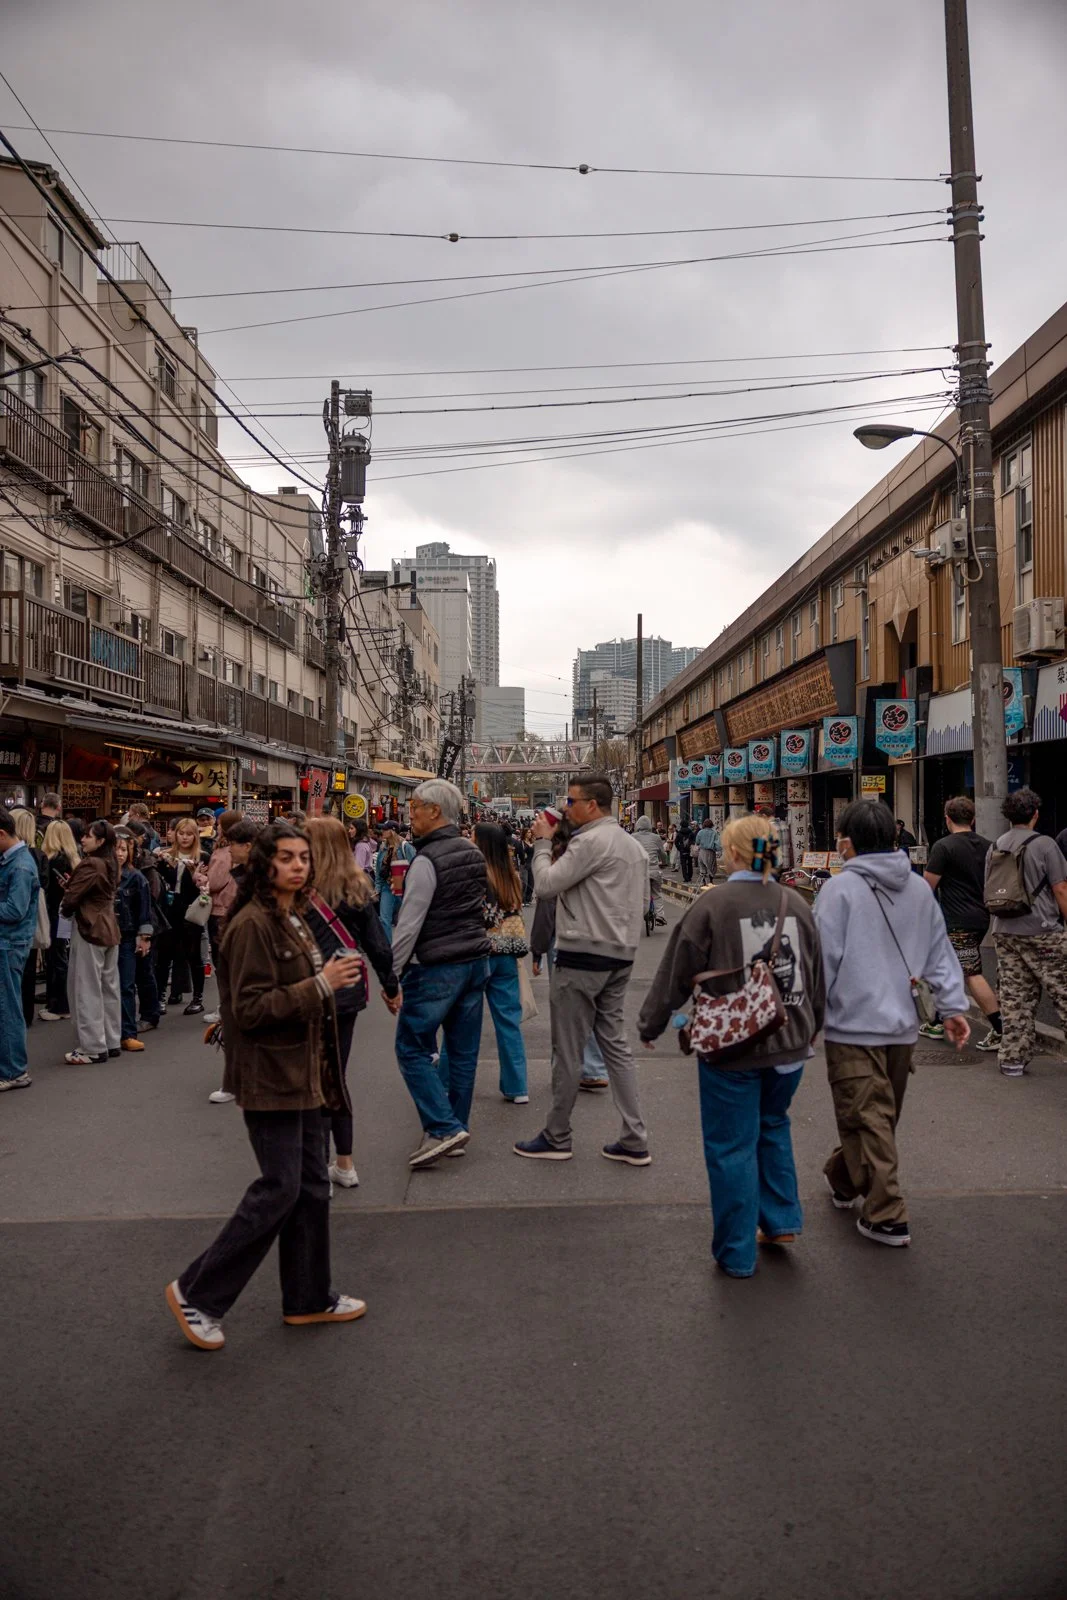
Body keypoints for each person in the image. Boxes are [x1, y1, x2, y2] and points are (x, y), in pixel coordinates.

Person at [165, 822, 367, 1351]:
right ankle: (197, 1293)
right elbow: (250, 1010)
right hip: (271, 1073)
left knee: (312, 1184)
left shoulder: (293, 913)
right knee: (280, 1187)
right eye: (287, 857)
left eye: (304, 857)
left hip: (305, 1069)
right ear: (263, 864)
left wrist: (327, 983)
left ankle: (308, 1296)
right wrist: (321, 984)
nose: (299, 866)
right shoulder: (253, 924)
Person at [638, 815, 824, 1278]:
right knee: (773, 1124)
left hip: (733, 1044)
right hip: (790, 1039)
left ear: (735, 853)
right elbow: (816, 972)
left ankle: (736, 1252)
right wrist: (812, 1028)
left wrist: (651, 1023)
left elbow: (677, 970)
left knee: (731, 1146)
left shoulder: (714, 904)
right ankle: (780, 1221)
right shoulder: (797, 903)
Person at [814, 800, 970, 1248]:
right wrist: (952, 1006)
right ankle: (856, 1186)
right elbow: (939, 951)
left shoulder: (839, 891)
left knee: (868, 1117)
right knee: (877, 1116)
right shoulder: (919, 889)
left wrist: (807, 1019)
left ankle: (882, 1213)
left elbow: (820, 960)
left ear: (847, 842)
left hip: (851, 1025)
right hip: (902, 1027)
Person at [515, 772, 651, 1165]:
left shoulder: (589, 842)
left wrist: (542, 843)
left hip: (582, 952)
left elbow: (545, 885)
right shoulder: (631, 845)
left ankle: (557, 1135)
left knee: (568, 1048)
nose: (566, 808)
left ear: (592, 805)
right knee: (615, 1046)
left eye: (571, 801)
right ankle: (634, 1137)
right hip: (621, 952)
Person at [391, 779, 491, 1169]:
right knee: (462, 1053)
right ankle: (456, 1127)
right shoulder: (472, 852)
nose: (410, 815)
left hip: (435, 967)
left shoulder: (426, 860)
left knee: (411, 1047)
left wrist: (391, 974)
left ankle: (443, 1127)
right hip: (475, 961)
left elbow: (409, 924)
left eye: (415, 807)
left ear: (435, 811)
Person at [303, 815, 399, 1186]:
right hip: (347, 990)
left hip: (307, 988)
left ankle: (316, 1168)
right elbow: (378, 945)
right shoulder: (356, 887)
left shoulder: (296, 889)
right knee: (335, 1076)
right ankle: (344, 1163)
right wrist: (390, 986)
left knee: (310, 1078)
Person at [985, 787, 1067, 1079]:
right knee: (1063, 991)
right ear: (1035, 814)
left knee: (1015, 997)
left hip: (1005, 930)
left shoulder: (996, 845)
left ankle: (1013, 1059)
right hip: (1042, 930)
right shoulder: (1045, 845)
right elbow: (1060, 888)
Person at [530, 812, 609, 1090]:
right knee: (591, 1004)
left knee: (564, 1009)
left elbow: (546, 908)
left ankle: (566, 1068)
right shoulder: (592, 856)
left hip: (562, 943)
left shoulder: (555, 864)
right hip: (597, 938)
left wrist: (537, 950)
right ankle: (594, 1067)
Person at [922, 796, 1002, 1052]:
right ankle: (937, 1020)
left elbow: (926, 886)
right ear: (973, 819)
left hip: (957, 920)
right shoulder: (989, 846)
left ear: (947, 819)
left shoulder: (943, 847)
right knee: (943, 967)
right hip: (981, 916)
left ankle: (1001, 1029)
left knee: (970, 972)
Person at [461, 821, 530, 1103]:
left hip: (479, 950)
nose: (469, 839)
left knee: (462, 1021)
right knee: (508, 1021)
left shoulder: (476, 874)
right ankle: (517, 1086)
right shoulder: (510, 875)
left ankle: (447, 1080)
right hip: (507, 951)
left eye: (473, 836)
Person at [206, 818, 262, 1103]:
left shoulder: (262, 877)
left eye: (234, 845)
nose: (229, 850)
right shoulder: (244, 874)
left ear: (248, 846)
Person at [61, 819, 122, 1067]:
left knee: (86, 989)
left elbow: (71, 898)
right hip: (109, 927)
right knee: (109, 988)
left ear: (100, 841)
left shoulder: (91, 864)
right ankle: (111, 1040)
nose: (83, 839)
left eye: (88, 835)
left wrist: (66, 902)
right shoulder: (111, 862)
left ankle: (93, 1047)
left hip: (89, 927)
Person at [0, 807, 40, 1090]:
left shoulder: (21, 865)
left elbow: (15, 910)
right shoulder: (14, 861)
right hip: (9, 942)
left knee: (8, 1008)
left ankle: (14, 1070)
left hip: (9, 943)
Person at [157, 816, 210, 1015]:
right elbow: (164, 881)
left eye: (189, 834)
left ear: (195, 836)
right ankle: (160, 996)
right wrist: (163, 863)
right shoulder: (166, 855)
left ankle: (197, 998)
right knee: (164, 955)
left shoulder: (202, 857)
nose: (185, 837)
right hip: (170, 909)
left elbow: (204, 885)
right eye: (181, 833)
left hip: (191, 909)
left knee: (193, 955)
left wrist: (194, 872)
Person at [113, 831, 153, 1052]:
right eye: (116, 849)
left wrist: (144, 937)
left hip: (127, 936)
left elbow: (144, 912)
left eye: (123, 849)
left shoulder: (136, 877)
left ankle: (127, 1033)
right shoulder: (101, 874)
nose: (119, 854)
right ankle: (108, 1031)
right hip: (104, 936)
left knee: (126, 985)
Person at [203, 809, 244, 1016]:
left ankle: (226, 1007)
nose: (216, 827)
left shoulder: (223, 852)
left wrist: (199, 877)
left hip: (220, 910)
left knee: (223, 962)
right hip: (236, 907)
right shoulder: (241, 851)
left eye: (219, 823)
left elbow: (214, 882)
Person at [11, 809, 47, 1026]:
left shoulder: (19, 860)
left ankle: (20, 1014)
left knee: (16, 972)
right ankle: (26, 1013)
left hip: (17, 925)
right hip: (32, 921)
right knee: (29, 968)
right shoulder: (38, 855)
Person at [39, 819, 79, 1021]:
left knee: (56, 959)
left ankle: (59, 1005)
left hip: (56, 913)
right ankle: (64, 1003)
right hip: (69, 914)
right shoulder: (75, 860)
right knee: (64, 957)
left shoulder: (53, 861)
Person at [126, 825, 163, 1033]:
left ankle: (150, 1014)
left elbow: (151, 899)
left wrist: (145, 932)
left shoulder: (145, 869)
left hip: (144, 923)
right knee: (130, 976)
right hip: (127, 926)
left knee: (144, 972)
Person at [373, 827, 416, 939]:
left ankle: (407, 943)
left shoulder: (405, 846)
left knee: (406, 919)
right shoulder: (383, 848)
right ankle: (388, 945)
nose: (382, 832)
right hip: (387, 886)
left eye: (385, 829)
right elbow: (378, 870)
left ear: (392, 831)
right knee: (384, 918)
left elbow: (414, 866)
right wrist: (377, 888)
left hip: (403, 887)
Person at [633, 814, 668, 923]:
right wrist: (665, 862)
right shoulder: (656, 837)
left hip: (639, 870)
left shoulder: (633, 837)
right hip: (654, 869)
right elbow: (662, 854)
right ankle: (660, 916)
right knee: (657, 893)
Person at [695, 818, 721, 885]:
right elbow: (717, 844)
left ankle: (703, 881)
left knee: (702, 866)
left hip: (702, 851)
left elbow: (697, 842)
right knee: (711, 867)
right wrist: (718, 851)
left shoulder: (700, 832)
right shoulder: (714, 833)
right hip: (710, 852)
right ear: (711, 825)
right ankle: (711, 881)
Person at [675, 817, 696, 884]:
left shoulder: (679, 833)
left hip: (682, 850)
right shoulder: (691, 832)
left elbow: (676, 842)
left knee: (683, 865)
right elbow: (694, 841)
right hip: (689, 850)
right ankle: (690, 876)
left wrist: (679, 848)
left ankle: (685, 878)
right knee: (690, 863)